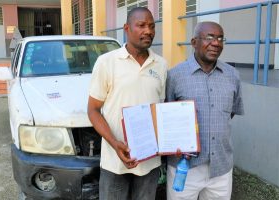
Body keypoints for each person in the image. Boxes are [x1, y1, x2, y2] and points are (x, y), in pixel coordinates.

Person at [87, 7, 168, 200]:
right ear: (126, 28)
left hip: (149, 161)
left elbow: (160, 110)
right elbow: (93, 110)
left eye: (151, 26)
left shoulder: (161, 64)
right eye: (141, 25)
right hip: (115, 160)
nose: (148, 31)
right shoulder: (107, 62)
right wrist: (115, 144)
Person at [166, 21, 244, 200]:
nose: (216, 43)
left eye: (220, 38)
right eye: (209, 37)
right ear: (194, 42)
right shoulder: (175, 75)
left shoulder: (232, 75)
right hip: (184, 167)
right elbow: (167, 118)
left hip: (221, 169)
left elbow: (229, 113)